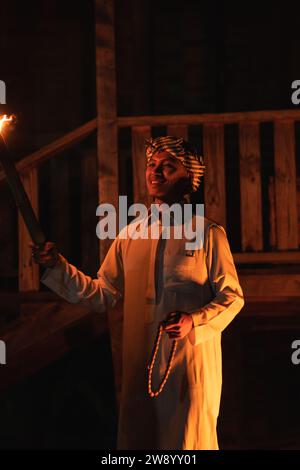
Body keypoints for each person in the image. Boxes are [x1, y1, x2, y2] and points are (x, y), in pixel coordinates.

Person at [30, 136, 244, 450]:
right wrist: (56, 266)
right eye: (152, 165)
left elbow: (232, 297)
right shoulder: (130, 235)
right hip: (139, 373)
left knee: (187, 442)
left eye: (168, 167)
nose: (156, 172)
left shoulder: (208, 234)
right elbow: (101, 294)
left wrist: (194, 320)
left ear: (189, 179)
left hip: (189, 371)